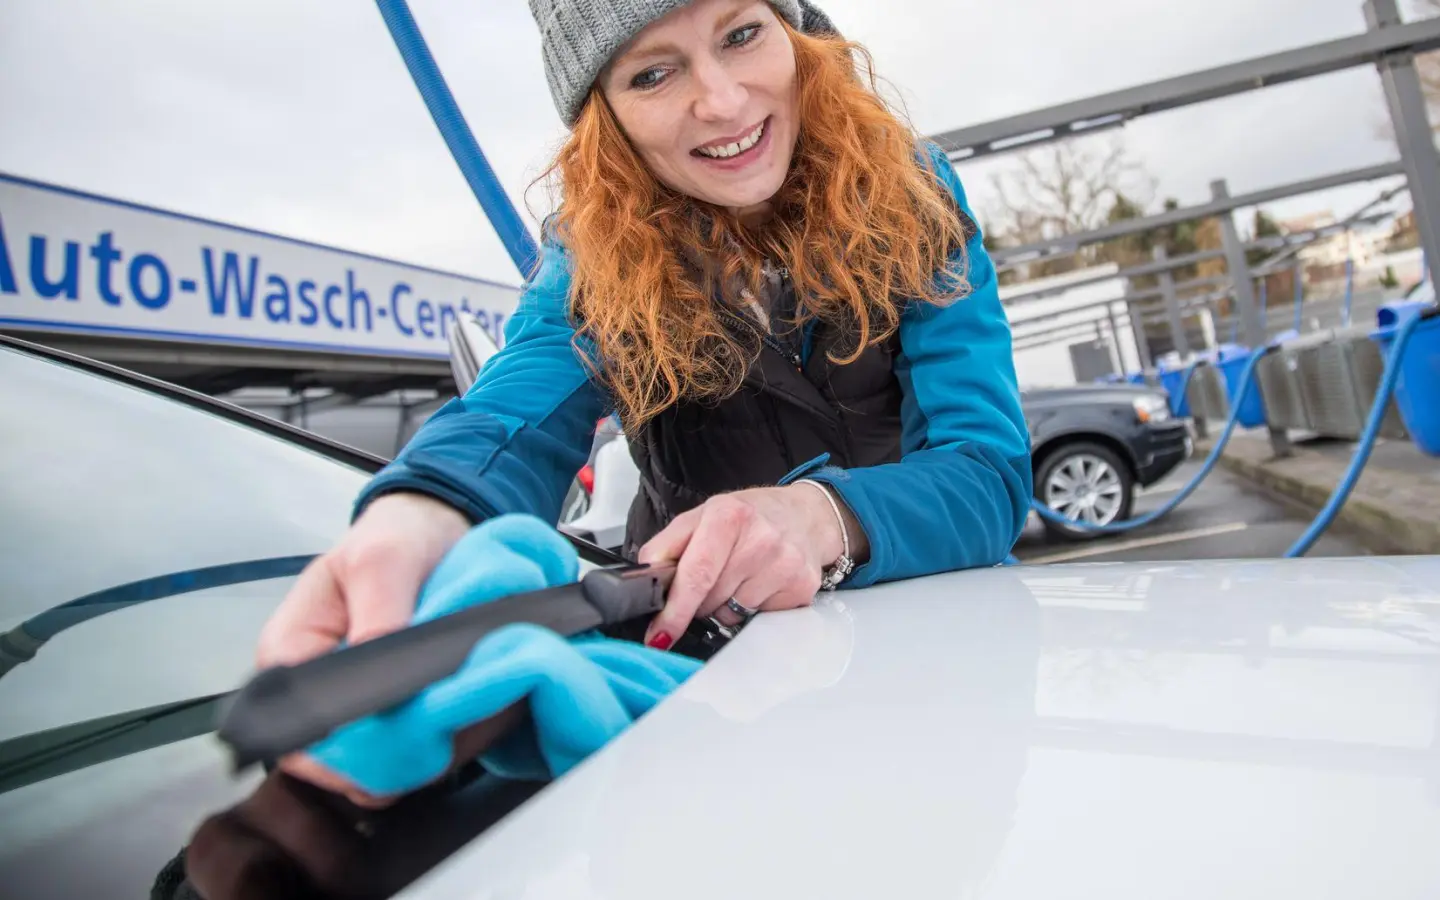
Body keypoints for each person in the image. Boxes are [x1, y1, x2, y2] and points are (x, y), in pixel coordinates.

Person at [255, 0, 1031, 808]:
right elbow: (515, 412)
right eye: (653, 73)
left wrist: (821, 518)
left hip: (948, 677)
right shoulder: (592, 255)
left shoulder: (911, 191)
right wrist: (421, 514)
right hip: (708, 720)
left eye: (741, 34)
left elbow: (988, 472)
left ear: (796, 32)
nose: (724, 103)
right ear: (607, 117)